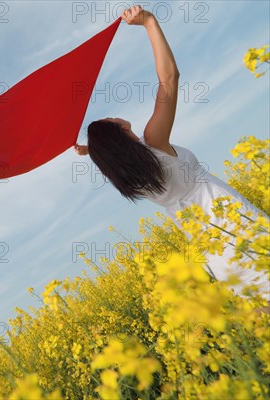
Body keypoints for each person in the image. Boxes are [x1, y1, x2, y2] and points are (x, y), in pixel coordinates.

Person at [73, 6, 269, 303]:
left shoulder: (131, 176)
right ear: (116, 131)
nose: (114, 116)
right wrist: (149, 22)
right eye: (110, 119)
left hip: (219, 257)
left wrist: (93, 151)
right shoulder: (153, 142)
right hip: (241, 230)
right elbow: (169, 78)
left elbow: (115, 157)